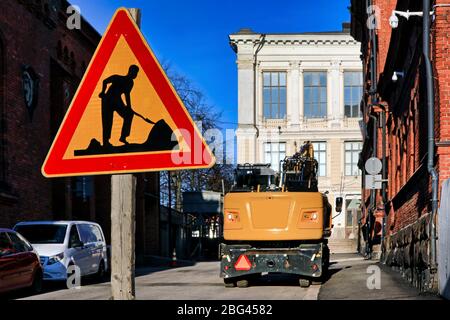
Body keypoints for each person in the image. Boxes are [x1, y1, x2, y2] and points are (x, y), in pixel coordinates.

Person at [99, 65, 139, 147]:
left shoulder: (130, 83)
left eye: (136, 73)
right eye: (135, 72)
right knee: (108, 121)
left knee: (129, 115)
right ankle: (106, 142)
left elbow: (127, 94)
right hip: (108, 100)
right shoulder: (117, 77)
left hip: (117, 100)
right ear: (130, 71)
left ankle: (123, 137)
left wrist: (129, 107)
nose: (136, 74)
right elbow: (105, 81)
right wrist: (103, 92)